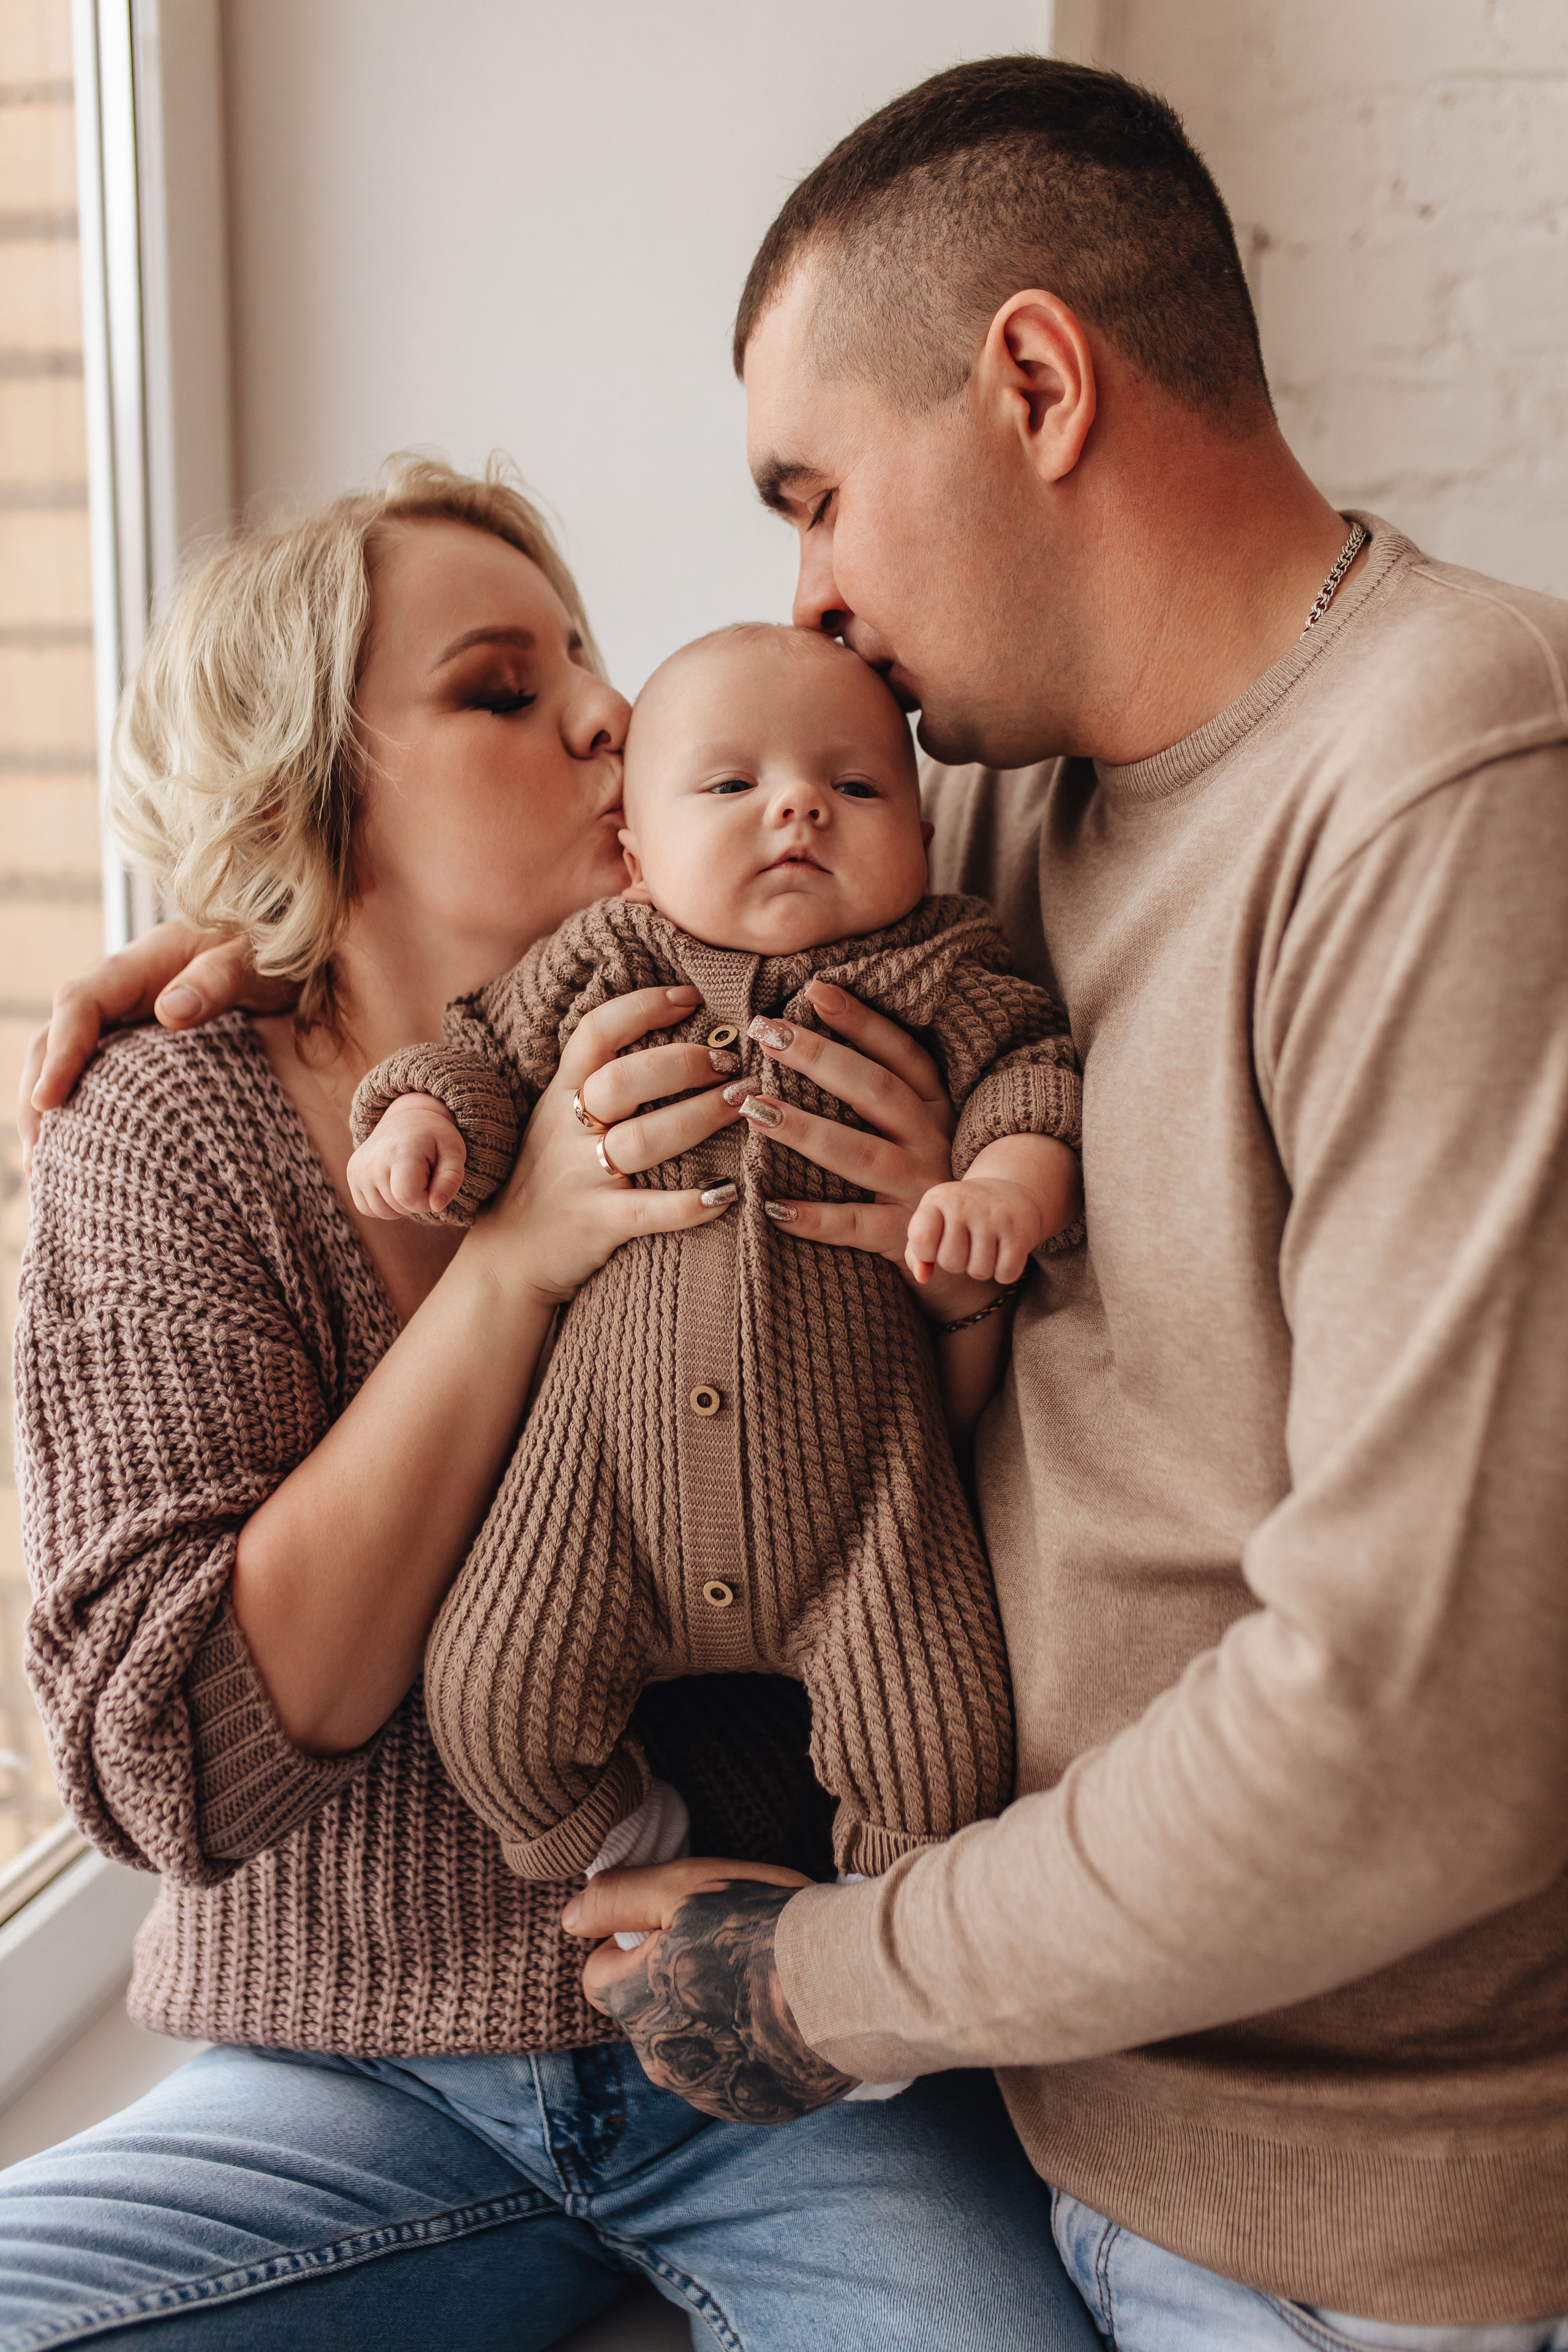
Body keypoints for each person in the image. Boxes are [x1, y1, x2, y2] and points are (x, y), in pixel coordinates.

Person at [557, 53, 1567, 2352]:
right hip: (1038, 2148)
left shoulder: (1452, 785)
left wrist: (832, 1981)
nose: (803, 599)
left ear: (1033, 381)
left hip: (1348, 2255)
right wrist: (260, 967)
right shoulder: (998, 840)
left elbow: (1425, 1720)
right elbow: (603, 920)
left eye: (816, 496)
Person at [0, 455, 1101, 2351]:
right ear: (314, 794)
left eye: (590, 659)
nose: (611, 710)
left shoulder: (818, 1003)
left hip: (765, 2044)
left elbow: (930, 1549)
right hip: (349, 2068)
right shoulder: (170, 1124)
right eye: (504, 690)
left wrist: (942, 1274)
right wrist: (512, 1258)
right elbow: (169, 1766)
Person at [346, 620, 1080, 1906]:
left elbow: (1030, 1074)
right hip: (601, 1489)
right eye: (732, 785)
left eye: (857, 787)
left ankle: (877, 1949)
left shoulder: (936, 961)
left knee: (944, 1741)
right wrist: (421, 1121)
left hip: (865, 1508)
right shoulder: (601, 959)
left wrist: (1005, 1184)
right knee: (489, 1692)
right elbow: (477, 1053)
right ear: (633, 854)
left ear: (920, 830)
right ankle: (626, 1854)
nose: (799, 805)